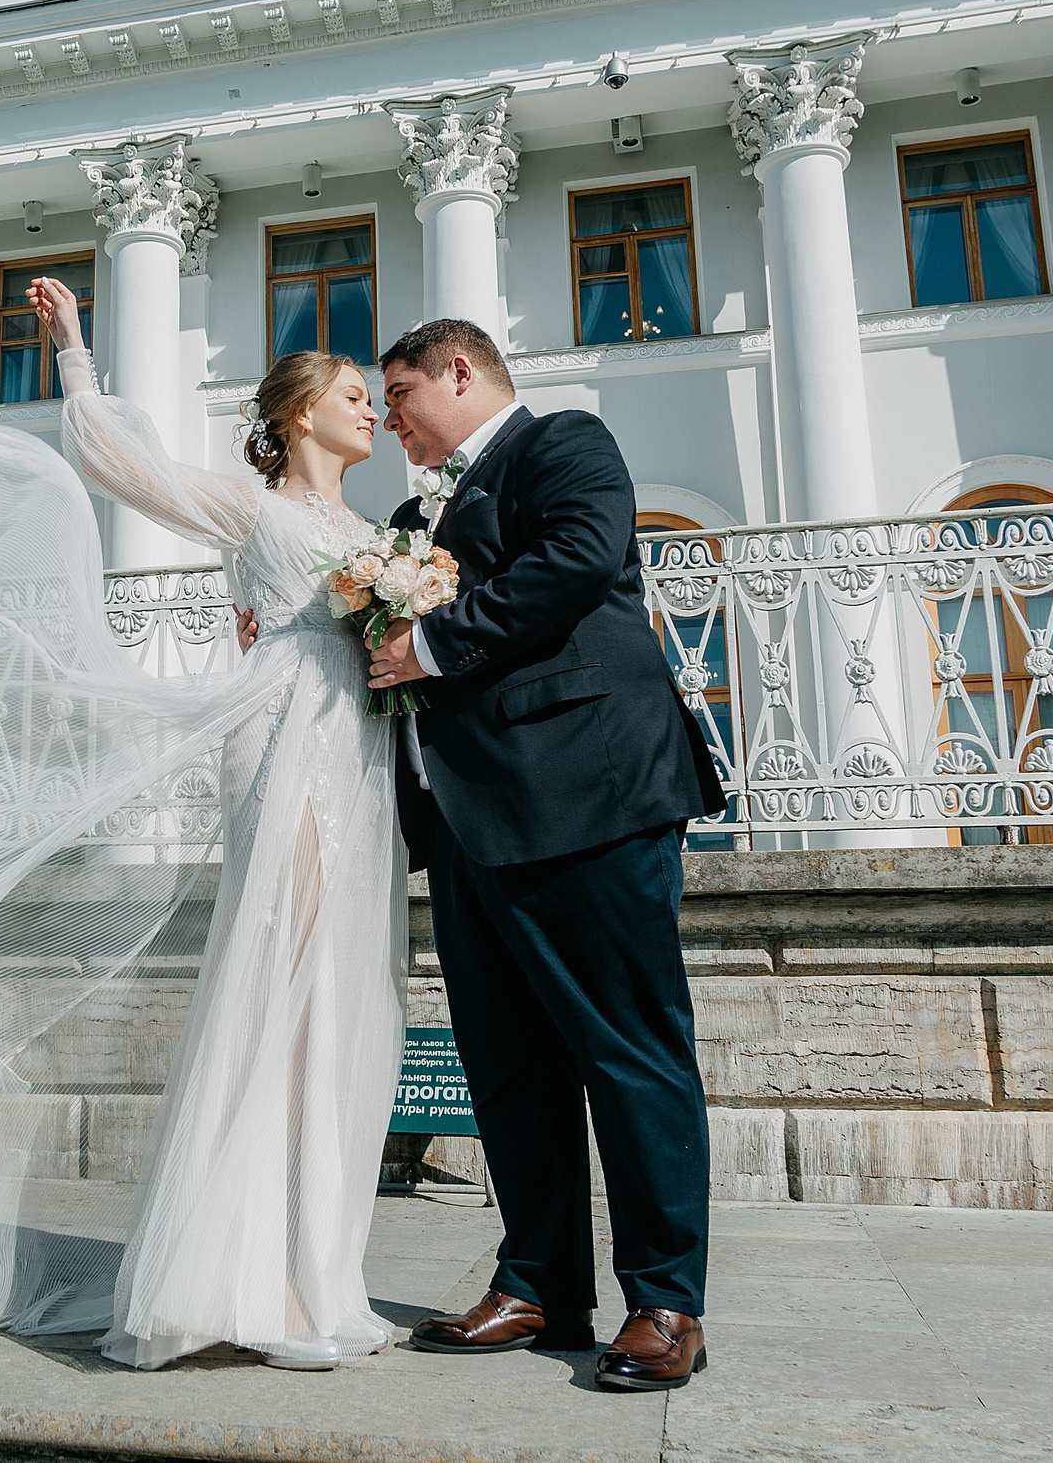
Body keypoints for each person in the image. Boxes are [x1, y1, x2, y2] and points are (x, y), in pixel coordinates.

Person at [33, 275, 408, 1372]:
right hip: (286, 738)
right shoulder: (256, 510)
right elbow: (121, 465)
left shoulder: (376, 529)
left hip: (364, 753)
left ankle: (314, 1275)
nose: (369, 409)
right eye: (353, 393)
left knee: (344, 994)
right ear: (300, 412)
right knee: (278, 983)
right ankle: (248, 1285)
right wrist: (72, 348)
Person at [370, 317, 726, 1394]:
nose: (390, 421)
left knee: (628, 1053)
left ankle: (665, 1302)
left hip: (588, 798)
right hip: (468, 823)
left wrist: (427, 640)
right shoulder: (399, 519)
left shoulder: (563, 445)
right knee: (508, 1070)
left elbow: (575, 559)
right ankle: (538, 1286)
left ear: (460, 372)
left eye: (399, 396)